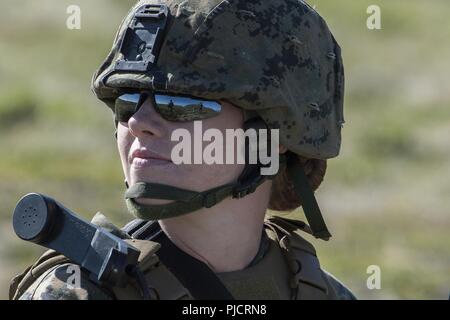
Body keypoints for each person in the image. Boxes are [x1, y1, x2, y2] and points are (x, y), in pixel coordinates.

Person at [10, 0, 355, 300]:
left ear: (271, 137)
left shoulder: (318, 292)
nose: (138, 122)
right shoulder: (75, 293)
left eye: (177, 104)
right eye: (127, 102)